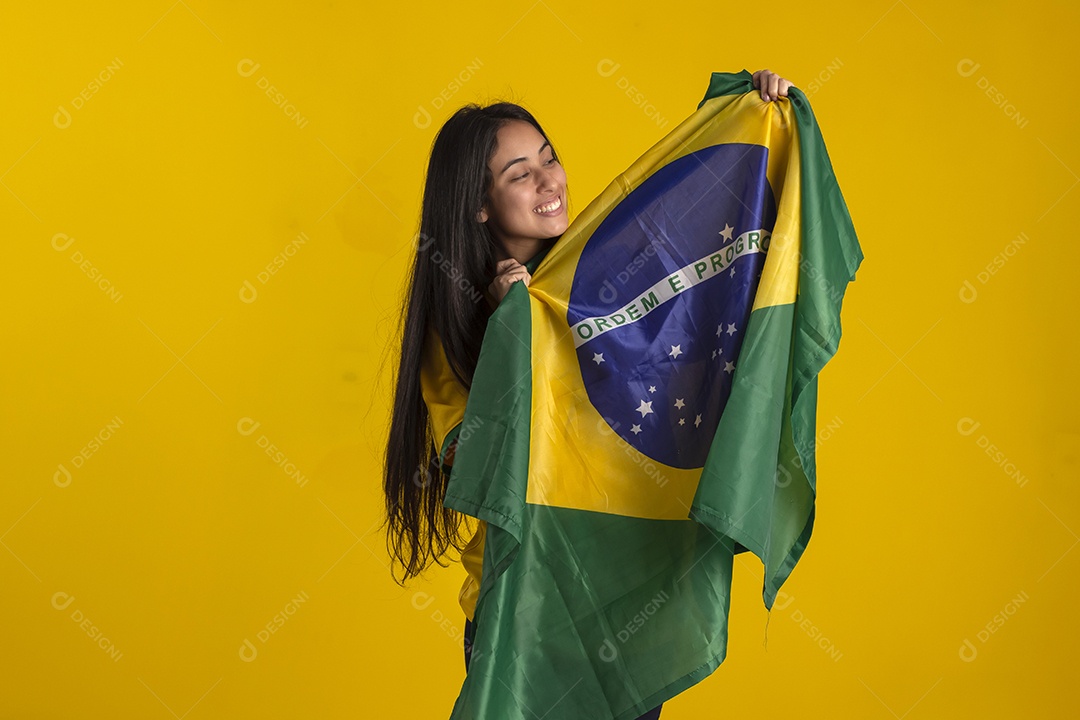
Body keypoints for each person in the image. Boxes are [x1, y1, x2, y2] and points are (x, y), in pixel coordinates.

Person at [383, 68, 794, 719]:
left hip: (622, 606)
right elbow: (476, 464)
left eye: (550, 159)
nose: (549, 182)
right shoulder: (457, 322)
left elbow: (694, 220)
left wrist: (751, 113)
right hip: (527, 612)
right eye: (520, 174)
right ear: (479, 205)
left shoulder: (602, 274)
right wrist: (509, 331)